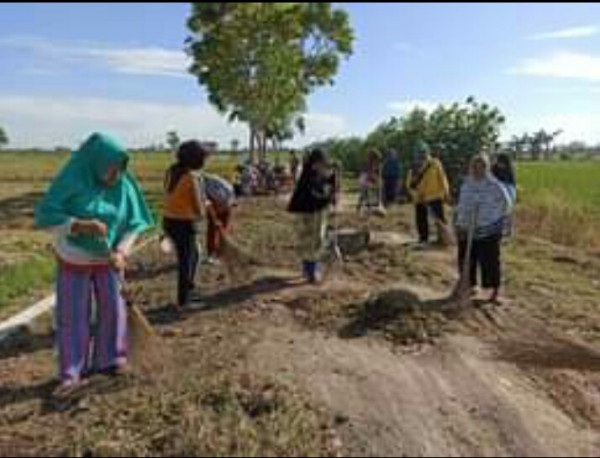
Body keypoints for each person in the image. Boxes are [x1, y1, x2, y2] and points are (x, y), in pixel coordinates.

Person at [34, 132, 154, 395]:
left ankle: (111, 360)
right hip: (73, 257)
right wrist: (77, 225)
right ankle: (72, 372)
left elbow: (134, 224)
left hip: (109, 259)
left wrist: (122, 251)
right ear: (95, 162)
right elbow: (47, 214)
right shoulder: (71, 179)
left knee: (114, 308)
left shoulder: (124, 185)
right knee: (73, 315)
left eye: (120, 169)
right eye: (111, 169)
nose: (116, 176)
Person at [454, 154, 513, 304]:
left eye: (481, 167)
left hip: (489, 229)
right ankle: (469, 286)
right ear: (471, 168)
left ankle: (494, 292)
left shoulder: (495, 186)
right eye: (474, 167)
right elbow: (461, 205)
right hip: (467, 229)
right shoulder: (467, 184)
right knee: (466, 259)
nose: (477, 170)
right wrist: (459, 224)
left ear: (486, 168)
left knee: (490, 261)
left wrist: (505, 226)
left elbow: (506, 206)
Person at [163, 140, 209, 309]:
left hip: (168, 221)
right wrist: (206, 206)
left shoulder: (171, 171)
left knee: (193, 255)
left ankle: (189, 290)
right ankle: (184, 300)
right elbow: (199, 210)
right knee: (187, 261)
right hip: (183, 223)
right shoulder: (191, 178)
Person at [288, 149, 336, 283]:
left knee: (314, 241)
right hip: (308, 212)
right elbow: (315, 196)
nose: (324, 167)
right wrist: (327, 198)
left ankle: (310, 269)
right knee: (311, 241)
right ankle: (310, 271)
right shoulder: (309, 178)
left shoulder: (318, 176)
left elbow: (329, 186)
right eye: (322, 164)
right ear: (315, 163)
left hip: (315, 211)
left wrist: (332, 185)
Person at [406, 144, 450, 244]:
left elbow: (442, 178)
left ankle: (444, 239)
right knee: (421, 219)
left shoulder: (435, 163)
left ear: (428, 152)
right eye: (419, 152)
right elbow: (409, 185)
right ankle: (423, 238)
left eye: (423, 152)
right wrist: (416, 196)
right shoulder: (414, 167)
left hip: (435, 196)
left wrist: (446, 192)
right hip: (420, 198)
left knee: (440, 219)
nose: (422, 154)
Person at [201, 173, 236, 265]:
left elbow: (231, 192)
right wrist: (214, 217)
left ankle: (220, 254)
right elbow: (207, 203)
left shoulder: (219, 183)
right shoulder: (200, 188)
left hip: (225, 204)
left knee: (223, 230)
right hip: (213, 205)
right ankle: (211, 254)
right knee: (212, 229)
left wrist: (225, 206)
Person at [492, 153, 517, 237]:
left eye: (501, 163)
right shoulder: (494, 167)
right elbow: (492, 179)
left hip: (509, 187)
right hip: (498, 188)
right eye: (498, 162)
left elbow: (509, 182)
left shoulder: (510, 169)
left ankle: (510, 230)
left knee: (509, 209)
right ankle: (499, 230)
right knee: (498, 211)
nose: (499, 164)